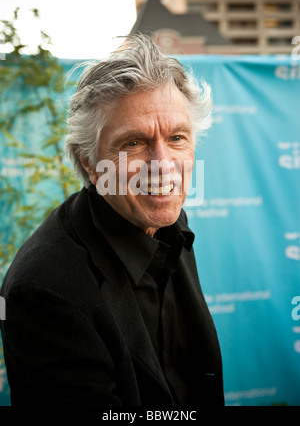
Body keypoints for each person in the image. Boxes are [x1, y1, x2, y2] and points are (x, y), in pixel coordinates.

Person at [0, 34, 224, 407]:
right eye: (133, 143)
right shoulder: (44, 291)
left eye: (177, 138)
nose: (163, 165)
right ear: (89, 162)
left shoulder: (167, 223)